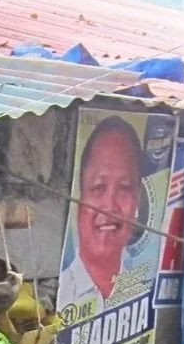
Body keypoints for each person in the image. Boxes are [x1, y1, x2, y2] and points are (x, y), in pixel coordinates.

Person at [58, 117, 144, 305]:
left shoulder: (140, 289)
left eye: (124, 188)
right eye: (98, 187)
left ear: (137, 200)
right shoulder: (63, 293)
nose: (110, 206)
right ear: (79, 199)